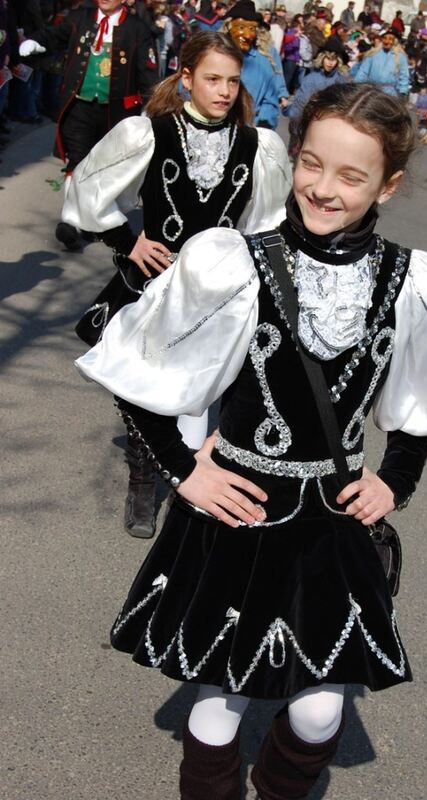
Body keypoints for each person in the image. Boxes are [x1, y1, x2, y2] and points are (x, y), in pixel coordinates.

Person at [75, 82, 427, 800]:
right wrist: (183, 471)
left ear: (388, 184)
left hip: (330, 526)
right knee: (221, 701)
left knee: (320, 710)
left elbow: (417, 408)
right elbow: (142, 376)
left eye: (350, 175)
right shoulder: (231, 263)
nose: (321, 187)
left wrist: (394, 480)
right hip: (236, 516)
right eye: (311, 164)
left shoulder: (414, 284)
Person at [64, 31, 291, 537]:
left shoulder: (258, 146)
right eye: (212, 78)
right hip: (157, 283)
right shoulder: (149, 132)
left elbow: (266, 222)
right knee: (150, 384)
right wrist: (129, 242)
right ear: (186, 78)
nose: (225, 90)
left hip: (219, 292)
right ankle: (144, 477)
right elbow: (89, 188)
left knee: (209, 387)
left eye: (232, 81)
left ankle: (201, 477)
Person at [19, 0, 159, 251]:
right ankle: (70, 222)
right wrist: (37, 40)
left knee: (103, 169)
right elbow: (55, 35)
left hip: (116, 114)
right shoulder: (80, 18)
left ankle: (89, 220)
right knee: (77, 162)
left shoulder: (137, 28)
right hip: (79, 106)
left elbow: (147, 72)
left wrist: (151, 107)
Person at [220, 0, 280, 128]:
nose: (247, 35)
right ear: (229, 28)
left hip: (246, 134)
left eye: (252, 29)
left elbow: (270, 102)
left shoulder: (262, 64)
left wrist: (262, 130)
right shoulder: (214, 56)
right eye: (241, 28)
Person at [354, 28, 409, 97]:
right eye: (385, 38)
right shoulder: (373, 54)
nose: (387, 41)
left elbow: (404, 76)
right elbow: (363, 71)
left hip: (390, 94)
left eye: (390, 39)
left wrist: (402, 92)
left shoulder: (400, 57)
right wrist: (357, 85)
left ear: (395, 41)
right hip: (371, 91)